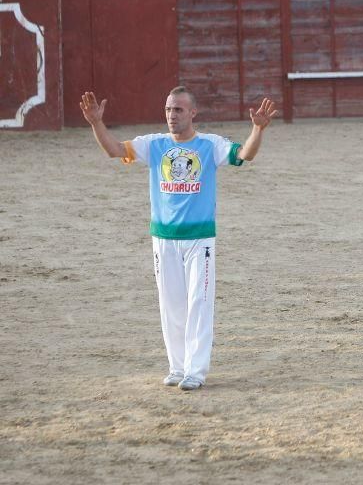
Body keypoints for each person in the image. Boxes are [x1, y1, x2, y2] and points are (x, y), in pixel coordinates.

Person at [79, 88, 277, 391]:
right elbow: (114, 149)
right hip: (163, 238)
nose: (172, 115)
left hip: (200, 239)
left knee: (199, 302)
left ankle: (195, 371)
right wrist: (96, 123)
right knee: (170, 304)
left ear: (193, 113)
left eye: (179, 110)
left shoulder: (209, 145)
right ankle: (177, 366)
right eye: (169, 109)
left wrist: (257, 129)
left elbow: (244, 155)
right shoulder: (153, 145)